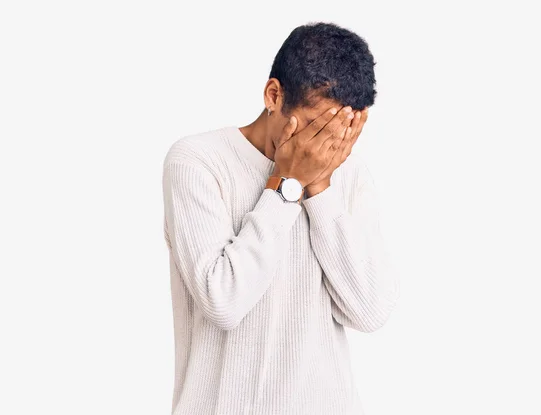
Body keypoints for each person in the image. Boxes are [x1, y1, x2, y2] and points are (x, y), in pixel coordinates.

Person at [162, 21, 400, 415]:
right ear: (274, 95)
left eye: (343, 130)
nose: (326, 146)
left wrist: (320, 188)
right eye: (316, 127)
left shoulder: (349, 175)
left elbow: (370, 310)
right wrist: (287, 185)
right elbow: (224, 301)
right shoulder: (197, 162)